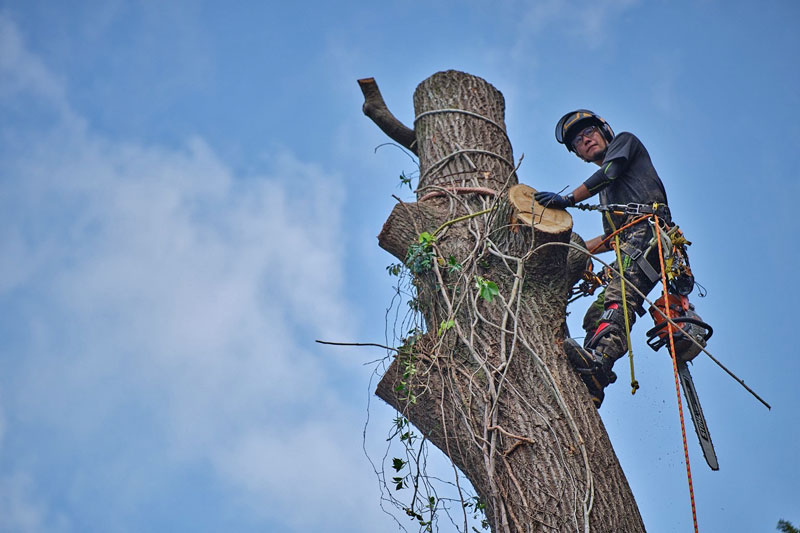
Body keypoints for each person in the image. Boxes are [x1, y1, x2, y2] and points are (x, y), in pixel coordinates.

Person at [534, 110, 671, 407]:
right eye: (578, 142)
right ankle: (591, 380)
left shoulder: (625, 144)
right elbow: (610, 240)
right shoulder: (606, 195)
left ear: (604, 131)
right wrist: (569, 247)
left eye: (588, 133)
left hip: (648, 235)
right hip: (629, 243)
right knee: (595, 315)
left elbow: (608, 172)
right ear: (578, 155)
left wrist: (568, 200)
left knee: (618, 298)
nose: (585, 141)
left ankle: (600, 361)